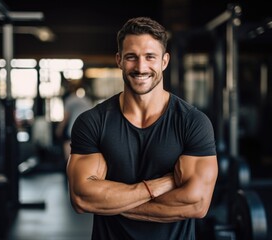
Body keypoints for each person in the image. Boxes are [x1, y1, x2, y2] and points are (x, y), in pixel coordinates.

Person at [67, 17, 218, 240]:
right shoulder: (92, 122)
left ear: (164, 61)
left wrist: (112, 202)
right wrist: (159, 185)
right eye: (131, 57)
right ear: (119, 60)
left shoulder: (192, 122)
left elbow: (196, 203)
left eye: (150, 57)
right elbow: (82, 198)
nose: (140, 67)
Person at [55, 79, 93, 161]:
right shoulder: (87, 101)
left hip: (74, 129)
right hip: (88, 130)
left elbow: (65, 118)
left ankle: (69, 169)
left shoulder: (70, 100)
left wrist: (59, 130)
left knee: (70, 156)